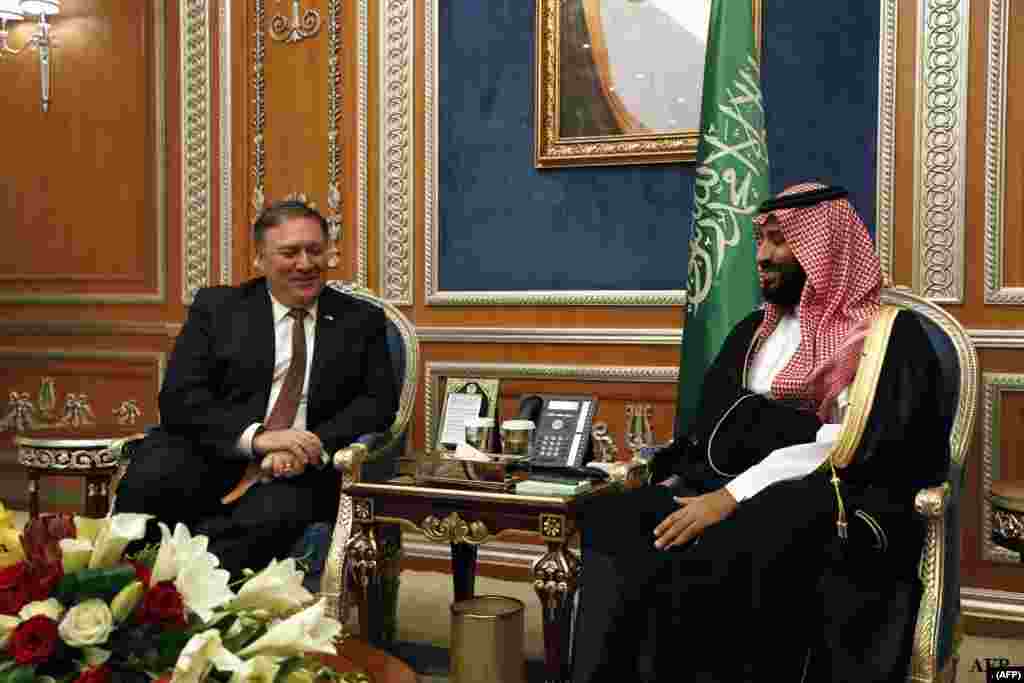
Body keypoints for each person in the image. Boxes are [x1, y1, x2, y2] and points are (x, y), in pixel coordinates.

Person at [571, 183, 950, 682]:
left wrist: (731, 496)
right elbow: (710, 426)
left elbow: (846, 443)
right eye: (760, 241)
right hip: (719, 484)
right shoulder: (755, 329)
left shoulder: (884, 337)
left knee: (726, 545)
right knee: (614, 516)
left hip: (824, 501)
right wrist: (677, 480)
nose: (762, 256)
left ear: (824, 247)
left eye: (779, 241)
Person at [115, 200, 398, 577]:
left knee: (266, 518)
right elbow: (180, 398)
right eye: (289, 252)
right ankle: (123, 593)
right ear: (260, 259)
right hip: (220, 451)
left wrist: (305, 444)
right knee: (152, 474)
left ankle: (200, 608)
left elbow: (377, 403)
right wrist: (259, 439)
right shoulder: (219, 309)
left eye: (315, 250)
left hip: (300, 473)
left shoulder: (360, 320)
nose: (305, 264)